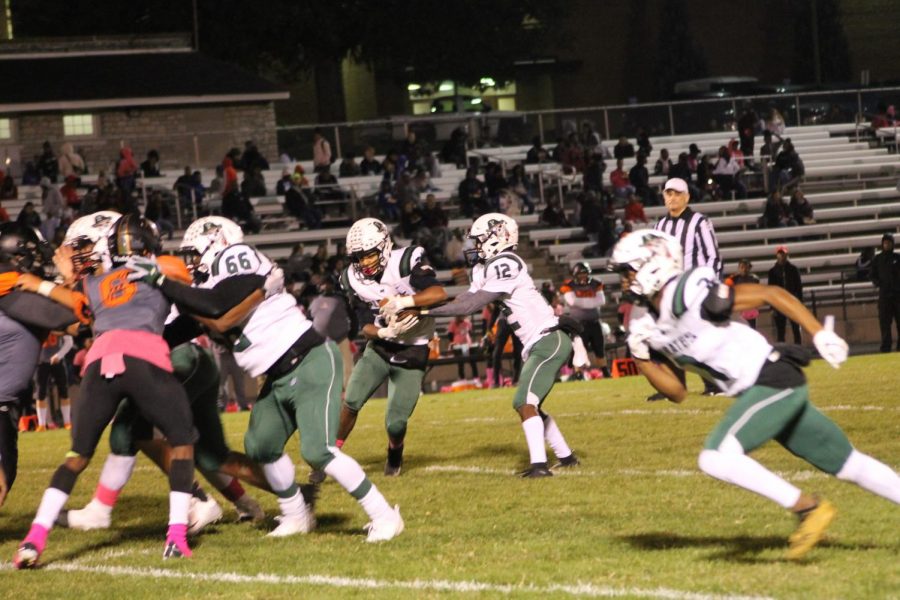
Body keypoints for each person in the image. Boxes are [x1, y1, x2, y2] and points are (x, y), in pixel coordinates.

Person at [612, 228, 900, 561]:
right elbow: (677, 392)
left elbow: (770, 294)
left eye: (627, 271)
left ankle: (806, 508)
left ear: (653, 264)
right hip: (763, 391)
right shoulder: (646, 321)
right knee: (850, 465)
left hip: (772, 377)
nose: (624, 281)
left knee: (715, 456)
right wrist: (642, 359)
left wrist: (819, 333)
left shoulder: (688, 291)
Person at [130, 215, 405, 541]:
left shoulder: (235, 257)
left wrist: (162, 282)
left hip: (309, 360)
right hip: (276, 375)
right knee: (260, 445)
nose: (191, 262)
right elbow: (179, 330)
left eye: (195, 253)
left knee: (319, 451)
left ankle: (385, 516)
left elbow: (217, 305)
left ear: (216, 242)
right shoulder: (205, 287)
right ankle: (296, 514)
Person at [14, 214, 198, 567]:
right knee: (182, 443)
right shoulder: (159, 266)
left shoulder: (96, 281)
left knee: (76, 457)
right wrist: (149, 267)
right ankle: (176, 537)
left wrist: (36, 283)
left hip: (101, 363)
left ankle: (34, 540)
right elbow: (181, 275)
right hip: (144, 357)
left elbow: (74, 305)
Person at [419, 213, 582, 477]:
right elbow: (465, 299)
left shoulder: (506, 262)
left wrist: (425, 312)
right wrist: (422, 306)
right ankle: (567, 457)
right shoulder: (483, 268)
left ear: (498, 238)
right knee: (532, 404)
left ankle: (539, 466)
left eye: (479, 239)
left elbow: (472, 305)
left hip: (548, 338)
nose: (474, 245)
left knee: (524, 401)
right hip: (538, 342)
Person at [336, 218, 448, 477]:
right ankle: (330, 456)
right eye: (359, 257)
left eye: (369, 255)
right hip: (380, 346)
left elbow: (438, 294)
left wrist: (403, 303)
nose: (364, 263)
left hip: (413, 348)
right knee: (351, 400)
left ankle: (394, 453)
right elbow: (363, 325)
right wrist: (384, 331)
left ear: (384, 246)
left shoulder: (406, 261)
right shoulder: (351, 279)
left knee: (396, 423)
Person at [0, 224, 76, 511]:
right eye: (33, 255)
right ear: (19, 257)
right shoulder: (14, 291)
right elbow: (78, 318)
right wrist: (67, 280)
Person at [651, 177, 722, 398]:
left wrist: (710, 288)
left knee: (698, 338)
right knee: (669, 340)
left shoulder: (699, 222)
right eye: (668, 194)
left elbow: (713, 256)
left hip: (694, 290)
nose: (672, 198)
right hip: (669, 293)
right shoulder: (659, 225)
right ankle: (672, 386)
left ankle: (714, 384)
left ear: (687, 197)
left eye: (677, 194)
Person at [559, 262, 611, 379]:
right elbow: (572, 302)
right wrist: (591, 301)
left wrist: (581, 302)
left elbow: (601, 301)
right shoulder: (569, 285)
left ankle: (605, 371)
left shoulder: (596, 283)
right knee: (579, 349)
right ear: (575, 275)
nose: (583, 276)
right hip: (579, 324)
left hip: (594, 322)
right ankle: (578, 373)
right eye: (580, 274)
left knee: (599, 348)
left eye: (585, 273)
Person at [34, 332, 73, 431]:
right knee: (40, 393)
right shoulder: (36, 323)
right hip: (41, 362)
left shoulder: (58, 322)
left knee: (63, 391)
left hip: (58, 361)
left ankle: (67, 422)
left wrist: (59, 355)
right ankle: (42, 424)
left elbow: (69, 342)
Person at [870, 233, 900, 353]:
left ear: (893, 244)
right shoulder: (878, 259)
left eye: (889, 242)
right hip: (884, 296)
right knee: (884, 323)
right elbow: (872, 275)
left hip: (898, 295)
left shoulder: (898, 258)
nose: (887, 244)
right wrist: (879, 283)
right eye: (885, 242)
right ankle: (886, 346)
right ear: (882, 244)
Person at [768, 246, 803, 344]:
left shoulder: (793, 269)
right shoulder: (772, 272)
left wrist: (800, 304)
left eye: (783, 253)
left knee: (796, 329)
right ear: (777, 255)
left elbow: (799, 287)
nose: (782, 255)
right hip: (779, 304)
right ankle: (783, 353)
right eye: (780, 253)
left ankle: (798, 351)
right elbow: (771, 290)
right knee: (780, 331)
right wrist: (772, 307)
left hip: (792, 303)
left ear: (786, 255)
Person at [725, 259, 760, 329]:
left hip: (750, 309)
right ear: (739, 268)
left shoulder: (754, 279)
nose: (744, 269)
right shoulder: (733, 279)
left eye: (746, 267)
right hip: (738, 310)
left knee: (751, 330)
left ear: (749, 268)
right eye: (742, 267)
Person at [447, 315, 480, 381]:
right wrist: (454, 343)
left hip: (468, 345)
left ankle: (476, 378)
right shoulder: (453, 323)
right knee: (460, 363)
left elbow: (470, 332)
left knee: (472, 361)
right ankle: (462, 378)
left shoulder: (467, 323)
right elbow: (450, 335)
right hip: (458, 346)